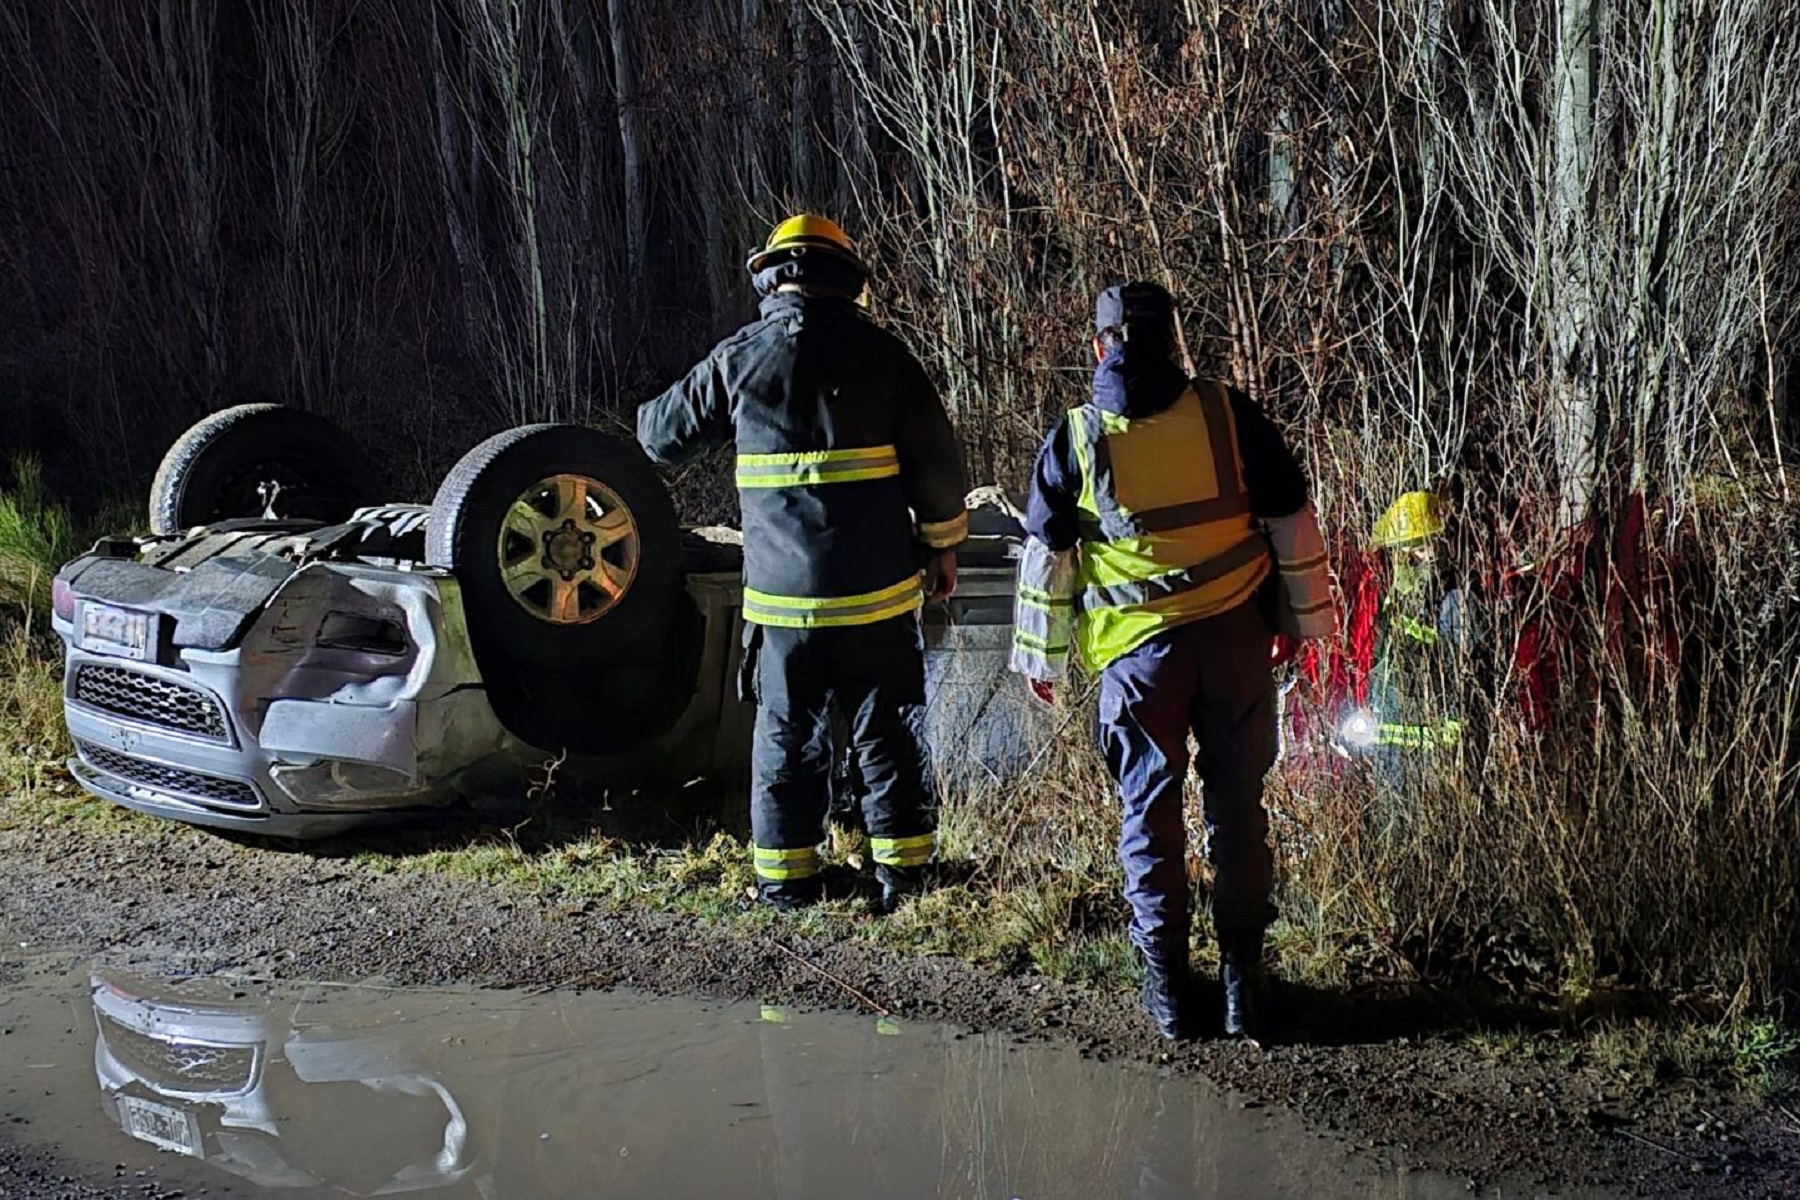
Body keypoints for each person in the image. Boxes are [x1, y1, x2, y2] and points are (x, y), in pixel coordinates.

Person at [1013, 281, 1335, 1041]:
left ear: (1101, 345)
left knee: (1148, 819)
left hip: (1138, 663)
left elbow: (1047, 556)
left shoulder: (1077, 437)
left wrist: (1043, 660)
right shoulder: (1227, 414)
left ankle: (1167, 995)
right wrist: (1307, 622)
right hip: (1232, 644)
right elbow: (1291, 515)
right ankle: (1242, 989)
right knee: (1238, 810)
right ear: (1173, 341)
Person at [636, 214, 968, 914]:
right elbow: (940, 470)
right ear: (846, 280)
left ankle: (788, 884)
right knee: (890, 735)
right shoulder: (886, 357)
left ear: (773, 275)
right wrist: (942, 547)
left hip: (784, 612)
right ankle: (905, 881)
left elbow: (658, 436)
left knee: (786, 740)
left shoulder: (740, 359)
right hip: (878, 600)